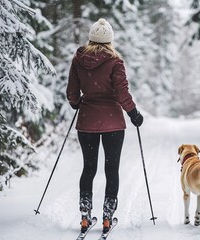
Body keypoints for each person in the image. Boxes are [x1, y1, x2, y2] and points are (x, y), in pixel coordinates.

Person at [66, 18, 143, 234]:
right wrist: (134, 114)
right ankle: (108, 218)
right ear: (110, 40)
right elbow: (122, 92)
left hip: (87, 122)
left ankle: (84, 216)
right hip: (113, 124)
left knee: (88, 168)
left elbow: (72, 90)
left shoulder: (78, 58)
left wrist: (76, 103)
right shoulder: (115, 61)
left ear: (91, 37)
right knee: (111, 169)